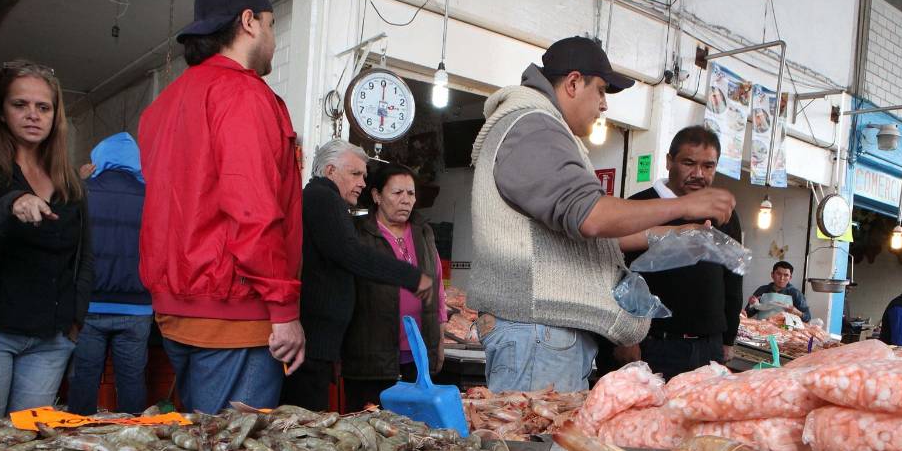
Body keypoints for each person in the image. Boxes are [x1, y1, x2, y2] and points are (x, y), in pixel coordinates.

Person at [469, 36, 735, 393]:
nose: (604, 105)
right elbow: (590, 217)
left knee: (550, 444)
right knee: (534, 444)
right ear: (574, 82)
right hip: (537, 334)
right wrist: (685, 205)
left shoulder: (544, 130)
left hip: (544, 335)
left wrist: (676, 232)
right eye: (601, 91)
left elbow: (592, 233)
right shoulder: (533, 127)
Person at [139, 0, 303, 414]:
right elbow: (253, 209)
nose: (272, 37)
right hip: (235, 314)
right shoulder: (244, 94)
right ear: (249, 22)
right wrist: (284, 310)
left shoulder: (164, 104)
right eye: (271, 24)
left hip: (176, 310)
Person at [0, 60, 92, 418]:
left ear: (55, 116)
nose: (33, 115)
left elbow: (84, 257)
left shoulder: (69, 179)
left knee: (27, 444)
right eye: (20, 105)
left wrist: (75, 319)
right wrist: (11, 205)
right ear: (1, 112)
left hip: (52, 338)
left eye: (43, 107)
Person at [284, 143, 432, 412]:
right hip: (313, 342)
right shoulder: (322, 198)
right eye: (355, 174)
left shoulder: (324, 199)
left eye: (363, 176)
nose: (362, 183)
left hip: (319, 343)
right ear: (330, 171)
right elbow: (352, 254)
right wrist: (409, 276)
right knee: (305, 423)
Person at [612, 126, 744, 380]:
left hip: (709, 348)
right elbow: (615, 276)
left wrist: (728, 338)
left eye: (708, 166)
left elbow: (733, 277)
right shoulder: (639, 205)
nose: (698, 174)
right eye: (688, 163)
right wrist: (624, 338)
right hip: (653, 345)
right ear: (669, 161)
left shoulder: (723, 215)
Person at [341, 162, 447, 412]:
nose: (405, 200)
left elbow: (438, 287)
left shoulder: (423, 232)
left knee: (415, 433)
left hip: (417, 359)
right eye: (397, 193)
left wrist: (440, 339)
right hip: (371, 356)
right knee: (369, 429)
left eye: (410, 193)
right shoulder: (358, 234)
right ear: (377, 196)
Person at [67, 133, 151, 416]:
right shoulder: (152, 196)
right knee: (132, 383)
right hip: (138, 308)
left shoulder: (83, 193)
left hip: (89, 306)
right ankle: (133, 446)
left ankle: (78, 446)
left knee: (84, 382)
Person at [747, 260, 812, 322]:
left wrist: (796, 312)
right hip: (762, 328)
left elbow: (808, 317)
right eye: (778, 274)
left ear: (790, 278)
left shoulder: (796, 293)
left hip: (785, 331)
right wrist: (752, 304)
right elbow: (748, 313)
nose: (782, 278)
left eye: (786, 275)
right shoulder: (762, 290)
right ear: (772, 275)